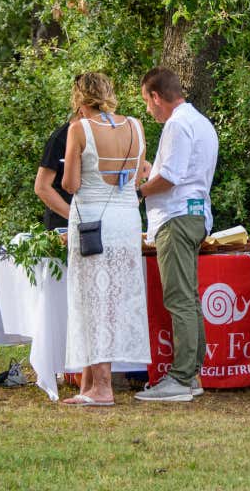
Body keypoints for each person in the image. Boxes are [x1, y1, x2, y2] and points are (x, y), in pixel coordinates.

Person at [60, 73, 151, 406]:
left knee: (92, 300)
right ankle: (90, 383)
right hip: (126, 220)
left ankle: (102, 388)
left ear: (80, 99)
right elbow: (139, 173)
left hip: (92, 221)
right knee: (112, 300)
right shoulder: (136, 127)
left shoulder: (79, 130)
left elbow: (70, 183)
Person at [135, 67, 219, 403]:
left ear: (156, 97)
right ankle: (192, 372)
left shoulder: (176, 124)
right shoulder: (199, 121)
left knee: (179, 298)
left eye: (146, 101)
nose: (147, 109)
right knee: (189, 297)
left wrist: (138, 192)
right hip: (194, 215)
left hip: (176, 217)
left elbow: (168, 177)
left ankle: (181, 377)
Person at [34, 118, 74, 231]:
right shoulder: (59, 139)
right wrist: (75, 218)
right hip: (62, 222)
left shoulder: (101, 135)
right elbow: (41, 187)